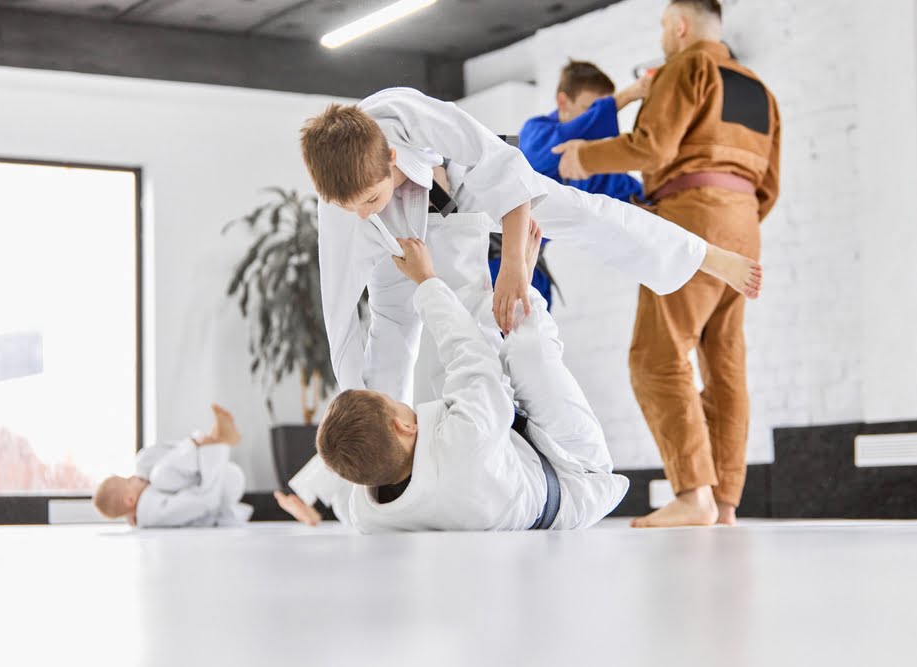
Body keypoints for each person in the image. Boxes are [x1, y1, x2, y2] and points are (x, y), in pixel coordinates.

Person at [276, 85, 762, 522]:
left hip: (469, 182)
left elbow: (505, 171)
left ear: (392, 156)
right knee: (387, 337)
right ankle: (366, 476)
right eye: (350, 208)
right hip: (400, 237)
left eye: (369, 199)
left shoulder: (405, 113)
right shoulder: (346, 206)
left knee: (576, 212)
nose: (360, 213)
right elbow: (338, 311)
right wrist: (356, 403)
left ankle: (702, 254)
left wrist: (512, 265)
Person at [553, 0, 781, 527]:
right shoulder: (760, 91)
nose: (662, 36)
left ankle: (692, 494)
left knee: (656, 357)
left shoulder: (687, 67)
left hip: (692, 219)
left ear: (680, 26)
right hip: (745, 226)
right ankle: (724, 502)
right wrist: (734, 217)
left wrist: (582, 156)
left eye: (662, 26)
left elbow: (652, 147)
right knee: (725, 367)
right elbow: (770, 185)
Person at [316, 231, 626, 532]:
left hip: (508, 462)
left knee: (458, 384)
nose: (399, 401)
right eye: (393, 403)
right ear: (403, 427)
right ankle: (524, 284)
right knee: (527, 351)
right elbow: (471, 354)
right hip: (577, 473)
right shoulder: (465, 443)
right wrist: (426, 280)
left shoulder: (369, 514)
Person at [92, 404, 252, 528]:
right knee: (160, 476)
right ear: (130, 500)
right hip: (223, 488)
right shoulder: (153, 513)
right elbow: (200, 502)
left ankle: (209, 439)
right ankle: (213, 442)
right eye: (128, 481)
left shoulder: (146, 507)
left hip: (220, 477)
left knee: (147, 464)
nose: (134, 477)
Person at [519, 59, 650, 202]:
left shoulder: (590, 153)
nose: (596, 117)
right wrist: (625, 96)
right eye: (590, 110)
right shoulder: (534, 132)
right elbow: (557, 142)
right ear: (563, 101)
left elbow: (625, 189)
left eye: (601, 108)